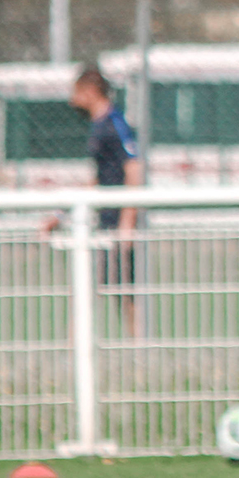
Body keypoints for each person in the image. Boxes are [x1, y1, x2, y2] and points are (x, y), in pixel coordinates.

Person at [41, 68, 144, 338]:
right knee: (93, 286)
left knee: (119, 290)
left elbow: (133, 169)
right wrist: (61, 214)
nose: (71, 100)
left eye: (76, 92)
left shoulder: (115, 122)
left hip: (116, 222)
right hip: (103, 220)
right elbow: (100, 177)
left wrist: (127, 221)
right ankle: (78, 348)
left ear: (90, 91)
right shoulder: (99, 125)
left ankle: (136, 348)